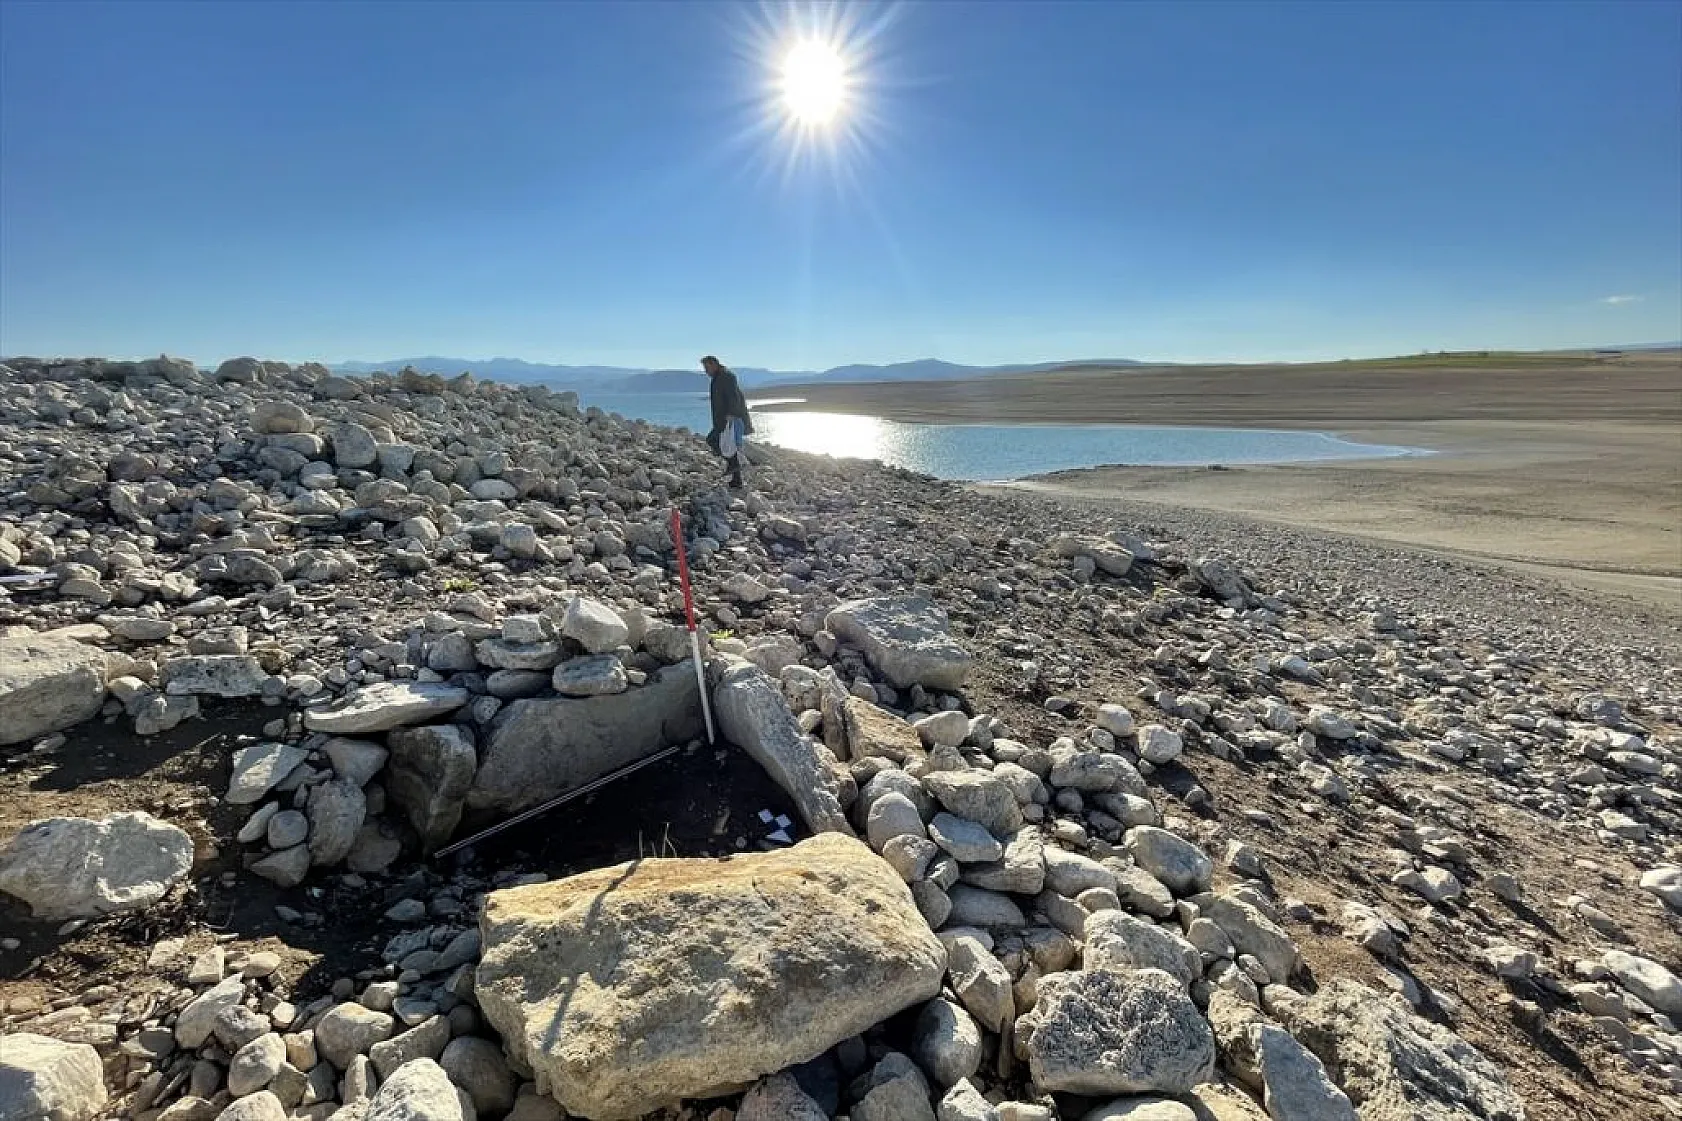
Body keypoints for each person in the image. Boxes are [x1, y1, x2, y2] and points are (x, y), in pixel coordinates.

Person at [702, 355, 753, 488]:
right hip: (722, 418)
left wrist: (732, 414)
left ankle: (734, 466)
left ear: (714, 364)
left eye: (707, 367)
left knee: (713, 440)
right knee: (729, 446)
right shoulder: (718, 377)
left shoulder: (727, 376)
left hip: (729, 418)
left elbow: (734, 396)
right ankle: (736, 479)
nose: (706, 371)